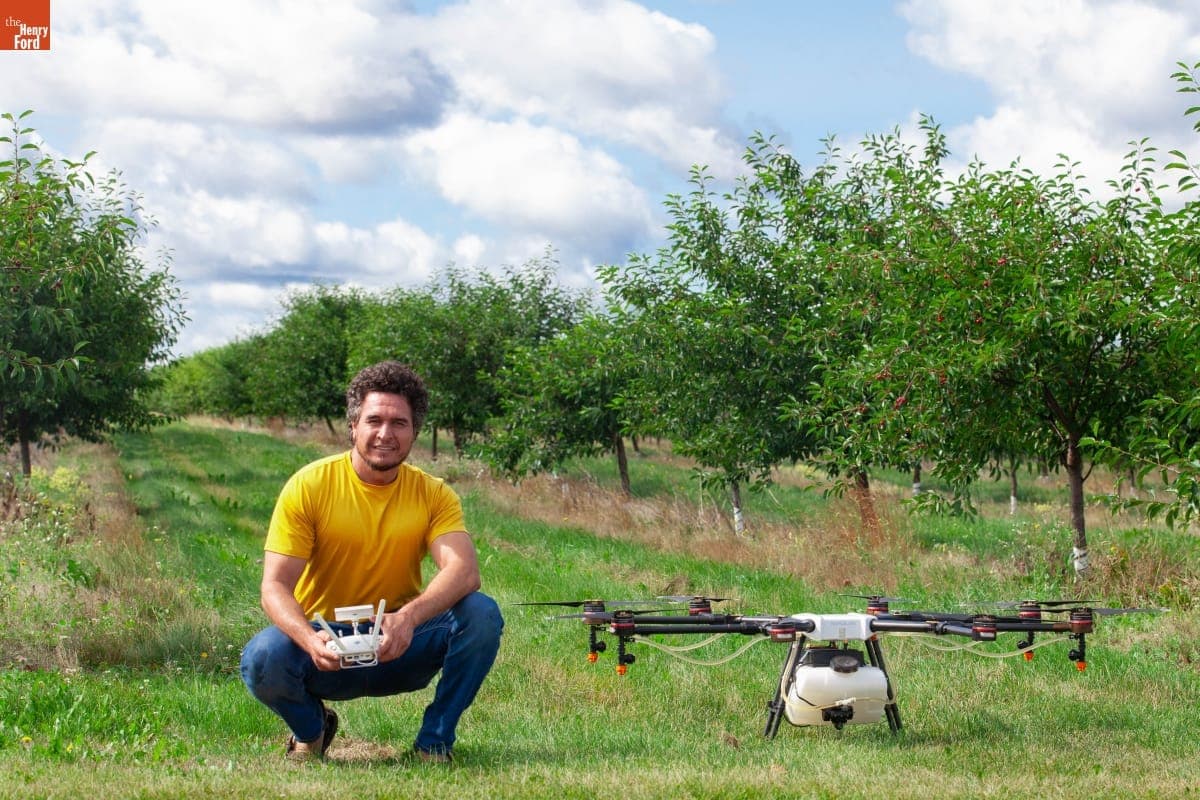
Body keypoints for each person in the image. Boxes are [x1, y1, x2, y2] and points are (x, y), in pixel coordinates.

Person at [240, 361, 503, 763]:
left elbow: (464, 571)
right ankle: (312, 730)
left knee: (481, 614)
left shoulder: (433, 494)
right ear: (353, 426)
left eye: (399, 423)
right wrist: (311, 640)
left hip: (398, 643)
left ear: (414, 431)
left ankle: (434, 742)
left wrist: (409, 619)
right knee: (262, 658)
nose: (385, 433)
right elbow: (274, 587)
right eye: (374, 420)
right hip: (326, 643)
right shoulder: (309, 486)